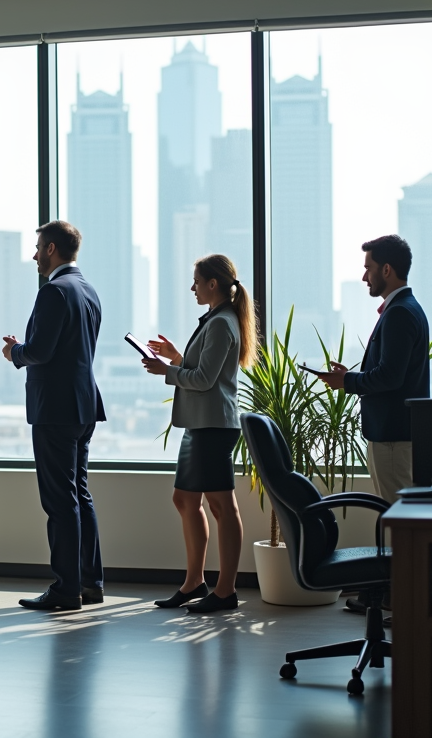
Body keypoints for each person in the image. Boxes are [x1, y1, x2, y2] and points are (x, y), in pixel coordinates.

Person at [142, 254, 256, 614]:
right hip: (200, 424)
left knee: (223, 507)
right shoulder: (216, 320)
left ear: (212, 284)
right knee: (185, 500)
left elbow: (205, 380)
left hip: (214, 426)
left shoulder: (222, 323)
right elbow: (203, 370)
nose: (192, 288)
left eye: (196, 281)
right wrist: (177, 358)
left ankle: (226, 591)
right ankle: (194, 583)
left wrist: (167, 370)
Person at [2, 220, 106, 611]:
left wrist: (15, 352)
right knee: (79, 493)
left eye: (37, 248)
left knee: (60, 501)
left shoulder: (53, 292)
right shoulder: (88, 291)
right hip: (83, 405)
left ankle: (66, 590)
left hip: (55, 409)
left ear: (50, 250)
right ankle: (90, 582)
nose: (33, 256)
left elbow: (42, 352)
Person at [316, 235, 429, 502]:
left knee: (399, 521)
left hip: (392, 439)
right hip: (396, 437)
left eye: (368, 268)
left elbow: (390, 376)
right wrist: (348, 377)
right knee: (401, 520)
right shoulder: (407, 309)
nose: (365, 277)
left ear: (386, 269)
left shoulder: (399, 313)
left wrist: (347, 381)